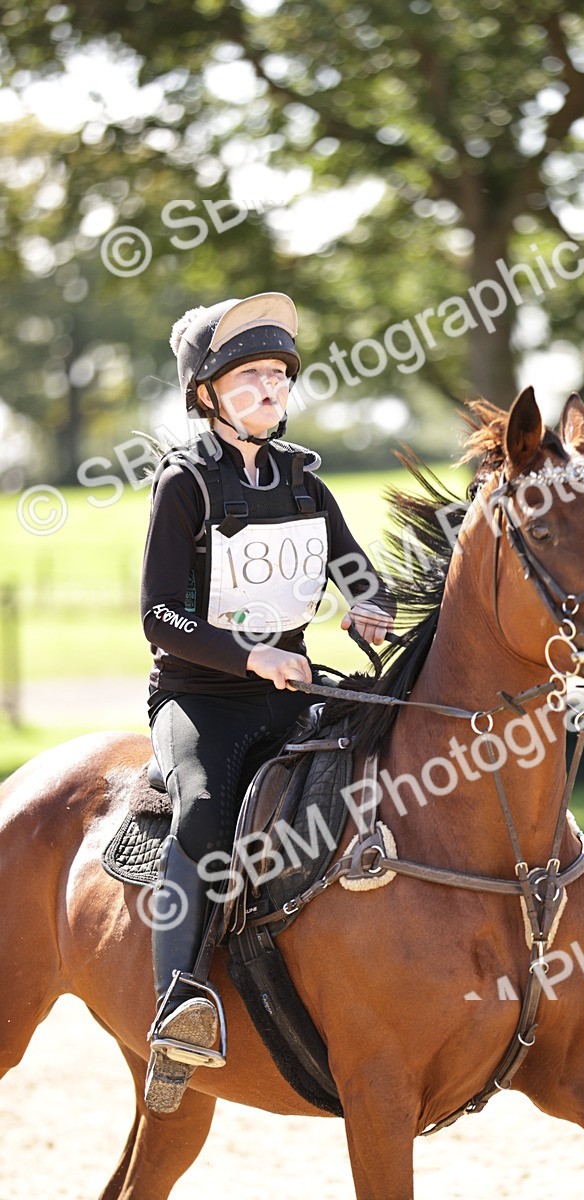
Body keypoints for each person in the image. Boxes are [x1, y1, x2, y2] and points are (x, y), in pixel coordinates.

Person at [140, 291, 394, 1113]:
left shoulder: (304, 479)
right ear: (207, 394)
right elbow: (159, 616)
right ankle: (178, 1003)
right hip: (201, 699)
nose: (270, 389)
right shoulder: (184, 483)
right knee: (203, 809)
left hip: (292, 691)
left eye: (279, 376)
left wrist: (369, 606)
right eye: (250, 376)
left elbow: (357, 573)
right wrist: (252, 655)